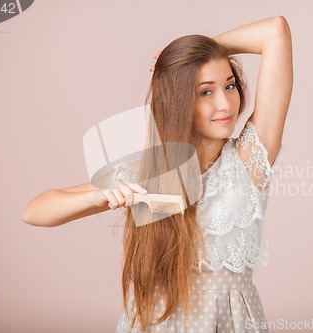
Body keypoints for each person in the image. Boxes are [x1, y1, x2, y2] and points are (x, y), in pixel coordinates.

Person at [23, 15, 293, 332]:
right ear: (179, 100)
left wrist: (197, 52)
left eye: (229, 85)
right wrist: (99, 196)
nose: (225, 103)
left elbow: (275, 31)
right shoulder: (158, 172)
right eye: (205, 92)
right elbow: (35, 211)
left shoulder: (249, 159)